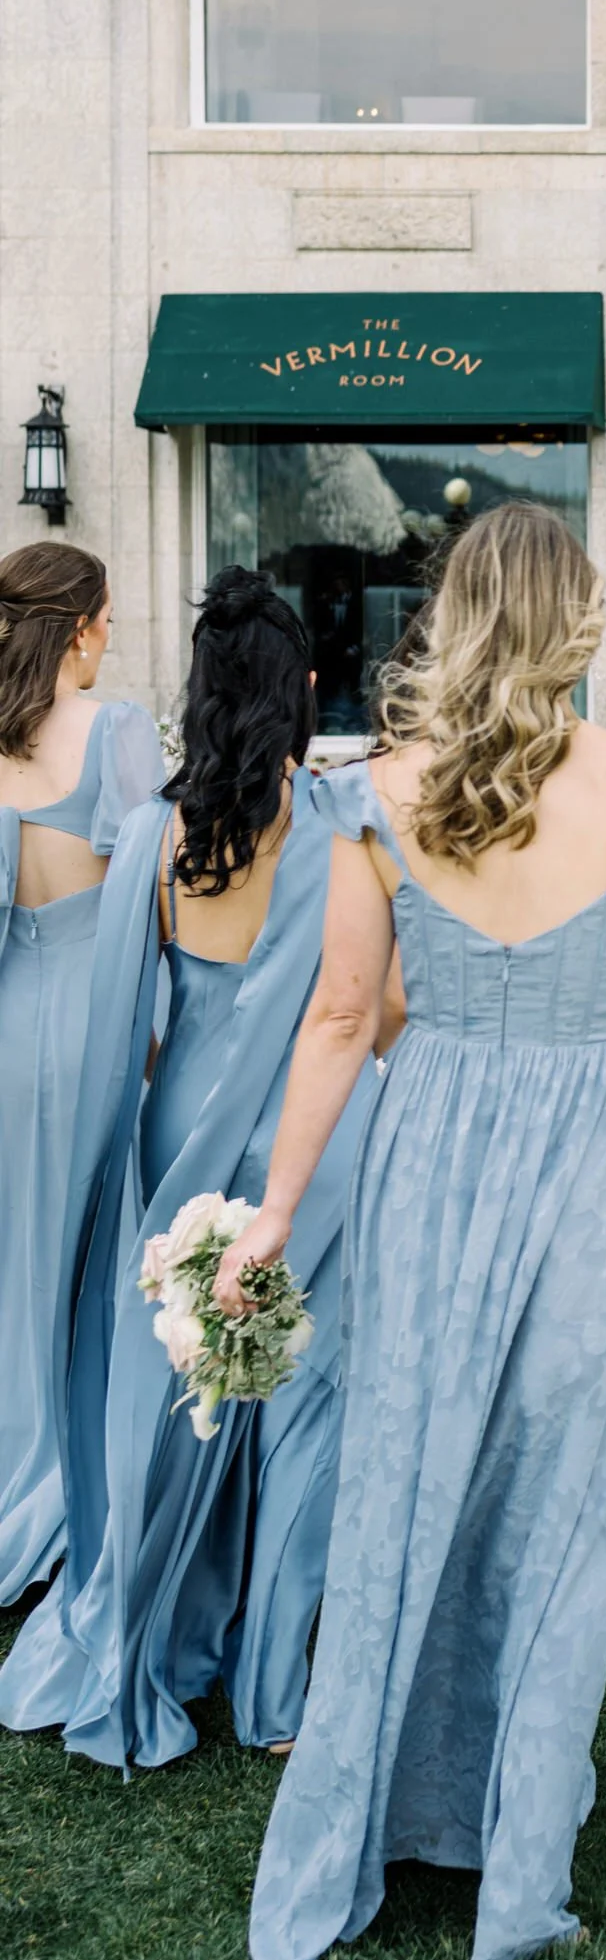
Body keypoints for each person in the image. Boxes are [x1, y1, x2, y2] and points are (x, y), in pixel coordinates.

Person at [212, 503, 606, 1960]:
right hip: (594, 1171)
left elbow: (345, 1023)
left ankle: (392, 1819)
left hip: (428, 1164)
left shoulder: (376, 790)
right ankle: (512, 1855)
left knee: (408, 1486)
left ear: (457, 614)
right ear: (576, 619)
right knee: (557, 1511)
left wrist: (281, 1207)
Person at [0, 569, 377, 1767]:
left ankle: (154, 1624)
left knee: (175, 1396)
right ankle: (276, 1687)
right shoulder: (336, 831)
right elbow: (366, 1011)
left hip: (177, 1144)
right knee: (301, 1402)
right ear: (304, 694)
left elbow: (128, 1022)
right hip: (311, 1151)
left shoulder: (154, 838)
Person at [0, 544, 164, 1603]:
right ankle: (75, 1497)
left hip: (13, 1026)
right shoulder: (117, 731)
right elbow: (158, 896)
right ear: (80, 627)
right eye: (108, 616)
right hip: (101, 1028)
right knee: (97, 1264)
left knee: (16, 1269)